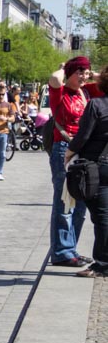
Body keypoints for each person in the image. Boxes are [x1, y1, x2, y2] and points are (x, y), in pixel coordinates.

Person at [47, 56, 105, 267]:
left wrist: (92, 73)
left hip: (85, 151)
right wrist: (63, 67)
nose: (82, 76)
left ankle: (71, 248)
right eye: (78, 72)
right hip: (64, 149)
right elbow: (54, 78)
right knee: (64, 201)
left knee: (81, 200)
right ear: (69, 74)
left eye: (85, 72)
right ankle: (61, 251)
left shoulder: (88, 90)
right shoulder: (60, 93)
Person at [66, 64, 108, 277]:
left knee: (101, 217)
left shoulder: (96, 105)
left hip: (97, 166)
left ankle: (101, 264)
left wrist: (69, 153)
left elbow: (83, 136)